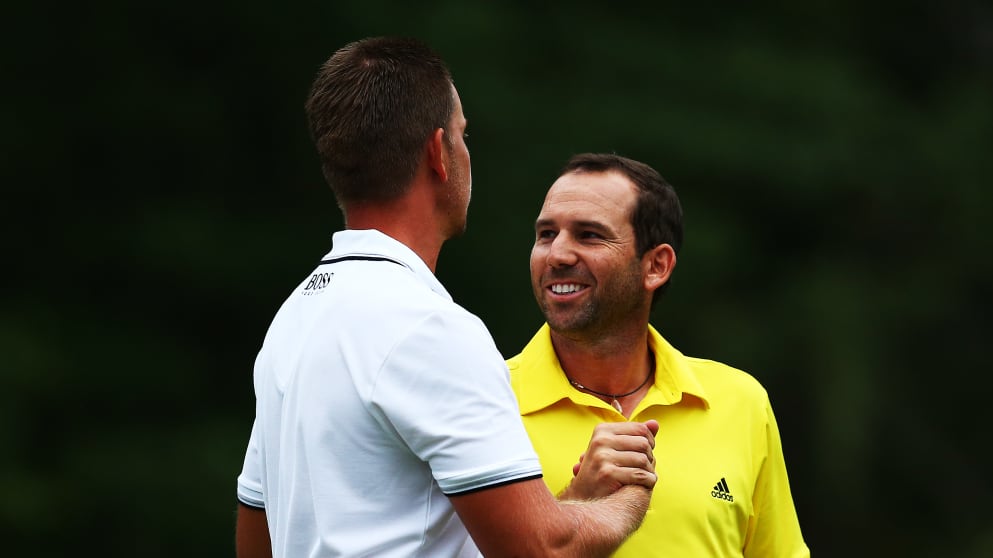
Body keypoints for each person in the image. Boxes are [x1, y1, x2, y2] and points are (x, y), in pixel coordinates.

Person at [234, 38, 661, 558]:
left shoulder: (294, 318)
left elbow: (259, 540)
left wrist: (572, 503)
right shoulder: (430, 327)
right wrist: (625, 501)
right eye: (463, 135)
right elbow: (542, 552)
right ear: (438, 153)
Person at [508, 152, 810, 557]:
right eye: (546, 234)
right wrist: (579, 505)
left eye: (589, 235)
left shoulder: (740, 402)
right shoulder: (487, 399)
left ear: (656, 266)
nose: (557, 254)